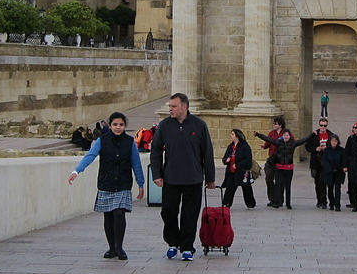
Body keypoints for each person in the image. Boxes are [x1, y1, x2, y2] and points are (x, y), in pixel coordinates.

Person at [67, 112, 145, 260]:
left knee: (119, 213)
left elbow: (136, 164)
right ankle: (112, 248)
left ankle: (119, 247)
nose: (118, 127)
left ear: (124, 126)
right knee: (108, 216)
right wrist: (76, 171)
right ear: (110, 126)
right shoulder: (101, 141)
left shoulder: (130, 143)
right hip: (106, 182)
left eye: (121, 125)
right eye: (115, 124)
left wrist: (140, 183)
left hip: (122, 182)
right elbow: (90, 156)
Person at [150, 93, 216, 262]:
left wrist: (210, 178)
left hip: (193, 179)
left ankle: (187, 247)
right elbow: (156, 151)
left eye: (174, 106)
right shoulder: (164, 126)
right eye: (170, 106)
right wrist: (156, 175)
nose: (170, 109)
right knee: (168, 212)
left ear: (184, 107)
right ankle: (173, 242)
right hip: (170, 178)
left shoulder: (199, 125)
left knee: (190, 215)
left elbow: (207, 152)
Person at [254, 129, 309, 209]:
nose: (286, 137)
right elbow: (268, 139)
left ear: (289, 137)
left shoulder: (293, 144)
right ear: (282, 137)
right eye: (284, 135)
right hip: (279, 168)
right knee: (277, 185)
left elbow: (302, 140)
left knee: (288, 186)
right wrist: (258, 134)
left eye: (287, 135)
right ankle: (276, 202)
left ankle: (288, 203)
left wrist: (312, 135)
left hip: (289, 168)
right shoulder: (278, 143)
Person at [260, 116, 292, 207]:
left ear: (280, 125)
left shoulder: (286, 133)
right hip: (272, 159)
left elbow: (292, 142)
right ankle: (272, 198)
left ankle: (279, 200)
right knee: (269, 178)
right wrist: (264, 146)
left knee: (280, 181)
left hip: (281, 160)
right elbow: (268, 142)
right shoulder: (271, 133)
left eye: (275, 123)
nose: (274, 125)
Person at [221, 129, 257, 209]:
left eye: (233, 134)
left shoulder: (245, 146)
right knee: (230, 187)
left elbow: (248, 160)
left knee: (246, 187)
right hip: (231, 171)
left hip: (242, 171)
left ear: (237, 136)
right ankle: (226, 203)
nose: (231, 136)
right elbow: (224, 157)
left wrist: (237, 165)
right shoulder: (230, 147)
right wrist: (226, 160)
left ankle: (251, 203)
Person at [305, 118, 334, 209]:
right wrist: (315, 149)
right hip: (316, 161)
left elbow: (335, 146)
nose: (323, 127)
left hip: (326, 161)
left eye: (325, 125)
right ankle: (319, 200)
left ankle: (324, 201)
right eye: (321, 125)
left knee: (323, 181)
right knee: (317, 182)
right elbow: (307, 146)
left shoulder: (330, 135)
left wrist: (327, 148)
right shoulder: (314, 135)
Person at [322, 134, 345, 211]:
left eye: (335, 141)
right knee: (330, 189)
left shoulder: (341, 150)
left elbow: (343, 161)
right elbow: (324, 161)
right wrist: (329, 169)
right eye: (332, 141)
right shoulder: (326, 150)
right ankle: (332, 203)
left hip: (338, 172)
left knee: (337, 188)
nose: (334, 142)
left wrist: (342, 168)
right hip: (329, 173)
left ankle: (337, 205)